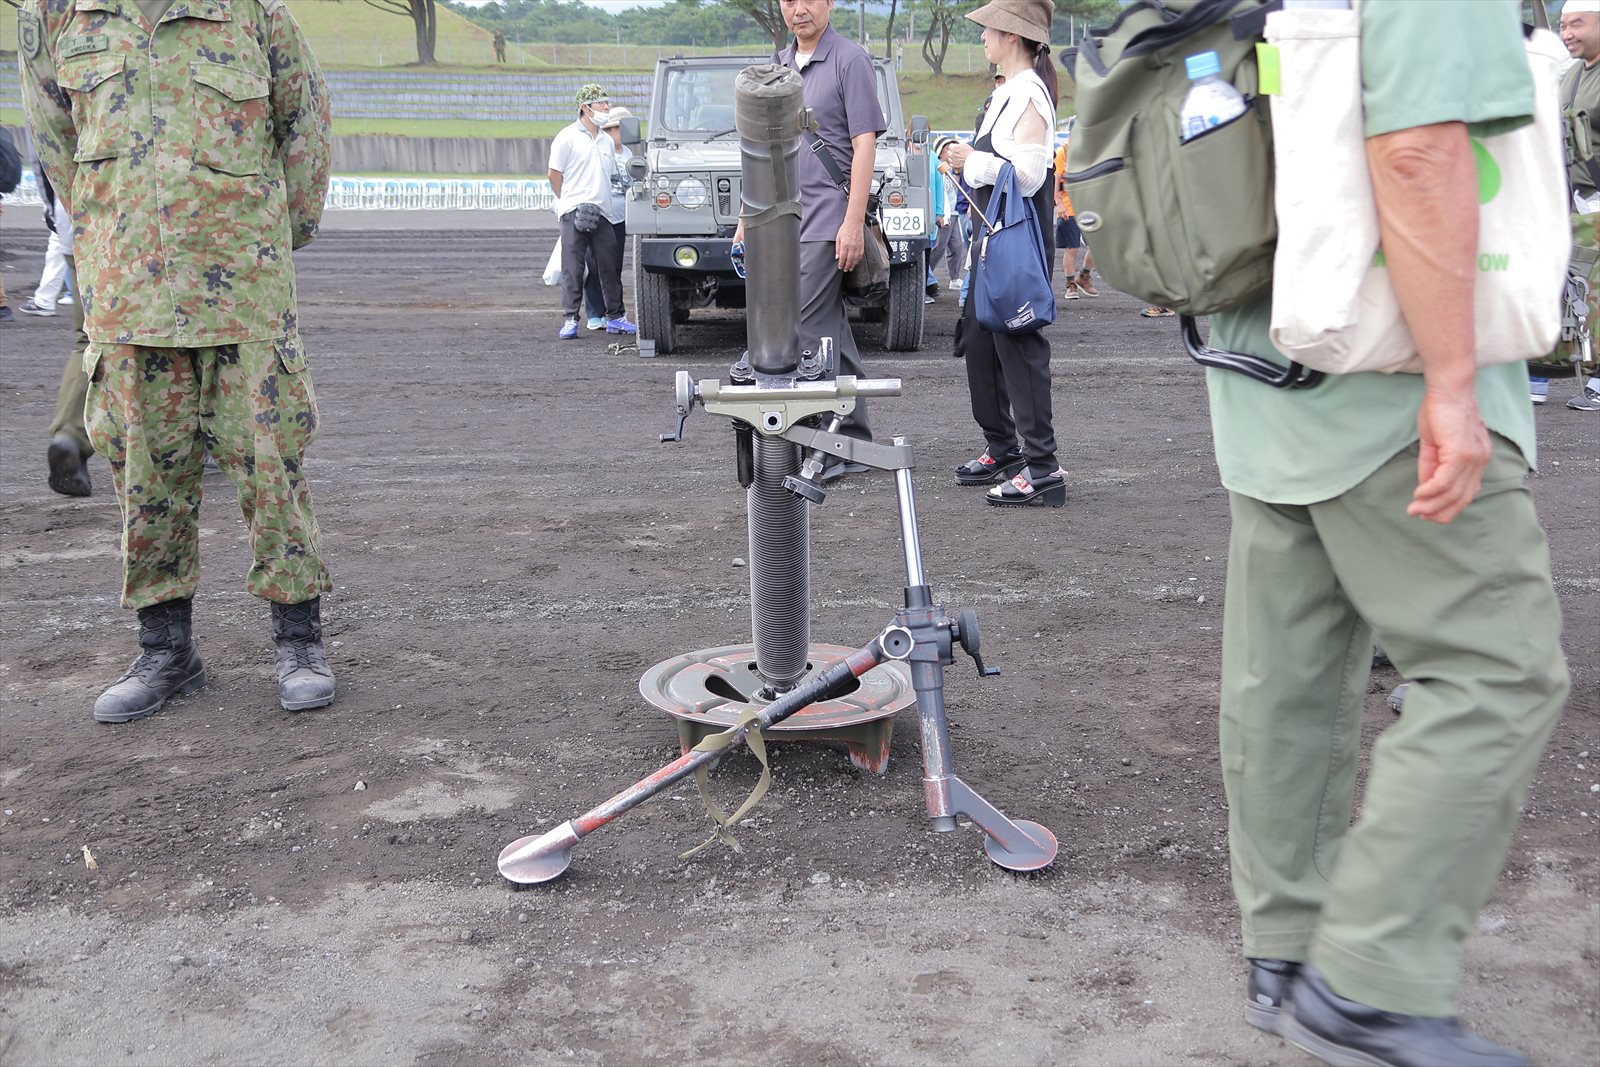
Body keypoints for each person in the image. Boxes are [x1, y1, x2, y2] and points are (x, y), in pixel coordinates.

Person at [1202, 4, 1569, 1065]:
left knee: (1288, 671)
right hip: (1386, 367)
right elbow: (1415, 146)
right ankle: (1369, 982)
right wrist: (1452, 380)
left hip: (1264, 357)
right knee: (1497, 667)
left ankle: (1287, 947)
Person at [20, 0, 339, 723]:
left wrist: (262, 233)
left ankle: (299, 641)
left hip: (243, 288)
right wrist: (115, 230)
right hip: (130, 291)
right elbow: (55, 141)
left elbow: (304, 122)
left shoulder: (252, 11)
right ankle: (166, 649)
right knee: (145, 476)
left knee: (271, 466)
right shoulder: (60, 14)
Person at [741, 0, 887, 481]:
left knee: (810, 334)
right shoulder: (779, 65)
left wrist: (852, 222)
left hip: (828, 219)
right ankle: (853, 438)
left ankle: (831, 446)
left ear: (829, 3)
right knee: (831, 334)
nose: (798, 9)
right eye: (788, 1)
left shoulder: (850, 59)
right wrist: (746, 218)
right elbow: (765, 149)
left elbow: (864, 144)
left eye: (808, 0)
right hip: (785, 223)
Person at [943, 0, 1062, 508]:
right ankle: (1003, 447)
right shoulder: (1008, 92)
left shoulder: (1029, 92)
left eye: (989, 28)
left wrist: (972, 160)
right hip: (992, 244)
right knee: (981, 342)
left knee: (1019, 348)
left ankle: (1043, 467)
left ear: (1012, 34)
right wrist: (964, 161)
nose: (983, 36)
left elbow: (1030, 176)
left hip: (1017, 246)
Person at [548, 84, 636, 340]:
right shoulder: (566, 137)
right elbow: (554, 174)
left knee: (609, 266)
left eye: (607, 103)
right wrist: (566, 201)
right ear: (585, 108)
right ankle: (570, 318)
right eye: (601, 103)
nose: (606, 107)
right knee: (573, 267)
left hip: (603, 212)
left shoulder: (606, 140)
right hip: (573, 211)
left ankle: (616, 317)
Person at [1557, 0, 1600, 410]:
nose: (1567, 33)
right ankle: (1547, 367)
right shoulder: (1571, 74)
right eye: (1563, 25)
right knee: (1582, 289)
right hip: (1577, 198)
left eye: (1577, 24)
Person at [582, 106, 634, 333]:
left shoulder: (628, 155)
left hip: (619, 218)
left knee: (614, 266)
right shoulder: (599, 150)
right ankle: (595, 312)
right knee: (593, 265)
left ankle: (612, 311)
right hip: (598, 215)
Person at [1053, 138, 1097, 299]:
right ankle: (1070, 284)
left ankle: (1084, 275)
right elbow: (1056, 180)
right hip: (1069, 206)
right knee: (1071, 248)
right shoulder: (1063, 152)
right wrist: (1059, 203)